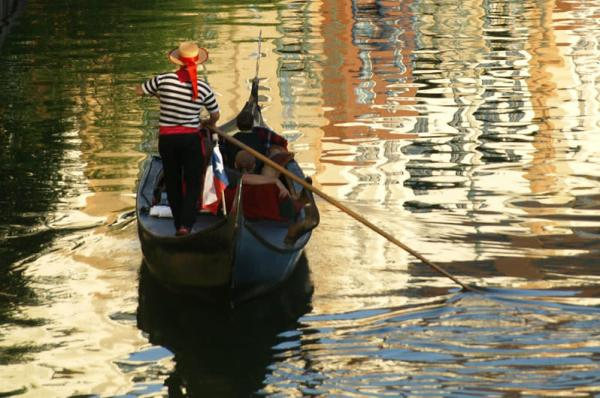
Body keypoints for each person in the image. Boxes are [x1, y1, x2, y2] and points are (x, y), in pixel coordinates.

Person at [137, 41, 220, 236]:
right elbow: (215, 115)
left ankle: (178, 223)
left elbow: (139, 90)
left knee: (172, 180)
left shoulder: (163, 80)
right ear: (197, 63)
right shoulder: (203, 88)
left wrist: (159, 95)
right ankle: (186, 225)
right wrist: (206, 123)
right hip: (190, 140)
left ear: (177, 62)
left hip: (168, 141)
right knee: (193, 182)